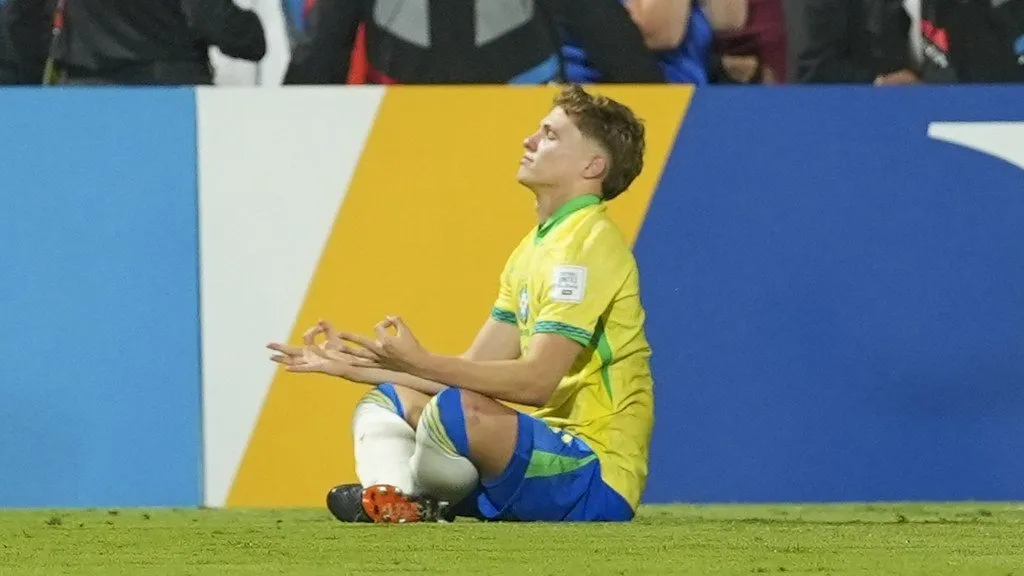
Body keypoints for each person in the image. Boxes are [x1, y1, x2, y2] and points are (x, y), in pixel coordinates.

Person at [268, 85, 656, 524]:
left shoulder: (586, 244)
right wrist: (356, 366)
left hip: (594, 474)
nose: (529, 141)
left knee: (451, 412)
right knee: (391, 399)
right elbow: (473, 371)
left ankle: (418, 501)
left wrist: (423, 360)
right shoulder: (535, 248)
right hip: (538, 456)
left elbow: (535, 383)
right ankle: (395, 502)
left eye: (549, 134)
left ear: (593, 165)